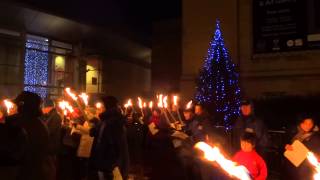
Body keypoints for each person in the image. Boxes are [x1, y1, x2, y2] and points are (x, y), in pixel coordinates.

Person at [6, 91, 51, 180]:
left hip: (20, 173)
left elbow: (10, 152)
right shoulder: (40, 123)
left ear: (21, 106)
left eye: (15, 105)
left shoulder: (17, 123)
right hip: (37, 172)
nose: (13, 108)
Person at [90, 96, 129, 180]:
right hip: (104, 161)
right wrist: (95, 128)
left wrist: (114, 164)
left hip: (110, 163)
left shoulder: (114, 122)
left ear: (107, 107)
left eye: (102, 106)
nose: (101, 108)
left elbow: (115, 144)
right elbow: (97, 134)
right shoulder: (105, 121)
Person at [283, 115, 320, 180]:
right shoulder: (293, 133)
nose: (308, 126)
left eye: (310, 123)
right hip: (291, 164)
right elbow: (283, 144)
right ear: (300, 123)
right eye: (305, 123)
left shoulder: (315, 136)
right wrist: (286, 146)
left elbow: (317, 153)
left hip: (305, 168)